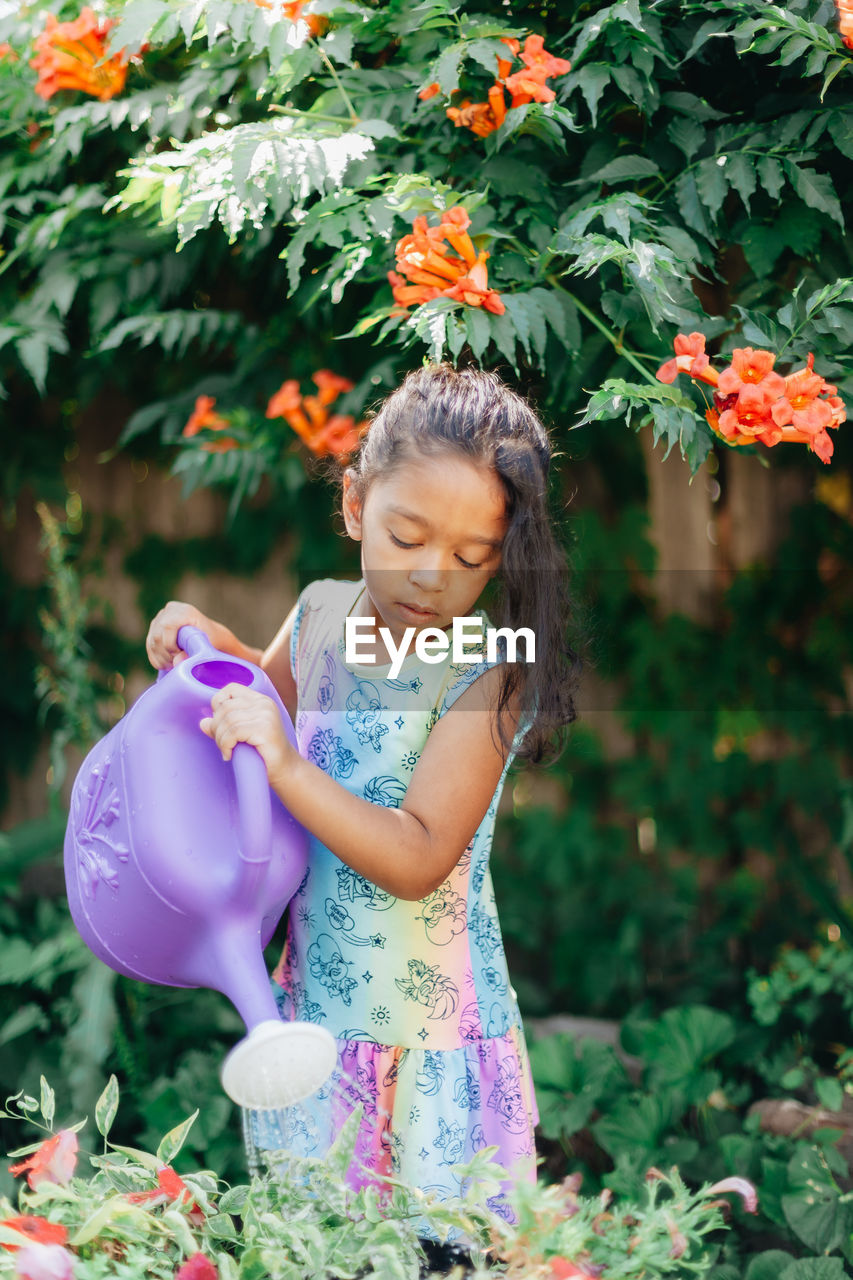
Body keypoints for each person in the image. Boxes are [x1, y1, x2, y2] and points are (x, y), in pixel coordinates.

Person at [146, 363, 578, 1219]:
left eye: (470, 557)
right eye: (406, 537)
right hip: (318, 1025)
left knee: (436, 1252)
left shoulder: (488, 672)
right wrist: (202, 647)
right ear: (354, 506)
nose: (432, 575)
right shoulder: (317, 617)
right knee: (323, 1246)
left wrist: (289, 766)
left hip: (428, 1045)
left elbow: (418, 855)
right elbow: (263, 712)